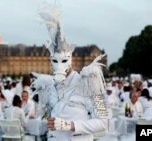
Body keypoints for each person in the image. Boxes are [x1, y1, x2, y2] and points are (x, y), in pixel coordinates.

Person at [35, 3, 108, 140]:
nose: (59, 66)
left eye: (63, 61)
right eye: (54, 61)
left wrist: (70, 125)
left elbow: (104, 122)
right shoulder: (50, 86)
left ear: (70, 59)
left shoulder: (89, 81)